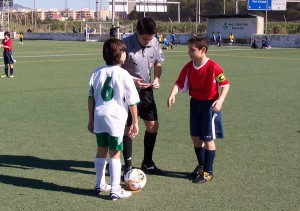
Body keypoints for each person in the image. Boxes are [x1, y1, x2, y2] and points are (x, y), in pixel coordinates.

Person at [167, 37, 230, 183]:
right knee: (195, 138)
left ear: (203, 50)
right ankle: (201, 166)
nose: (189, 52)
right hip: (195, 104)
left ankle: (208, 172)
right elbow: (179, 83)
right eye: (189, 49)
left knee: (208, 139)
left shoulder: (214, 67)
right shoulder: (189, 67)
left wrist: (220, 100)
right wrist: (172, 94)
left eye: (192, 50)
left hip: (210, 106)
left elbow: (225, 85)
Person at [88, 38, 140, 200]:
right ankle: (115, 189)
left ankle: (99, 184)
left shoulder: (96, 72)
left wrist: (91, 119)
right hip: (115, 118)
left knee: (101, 149)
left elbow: (91, 98)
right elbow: (132, 101)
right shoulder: (124, 74)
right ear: (119, 55)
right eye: (124, 51)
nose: (126, 54)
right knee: (115, 153)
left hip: (99, 116)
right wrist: (135, 122)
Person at [121, 17, 166, 176]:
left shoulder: (154, 42)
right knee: (128, 129)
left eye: (151, 38)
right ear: (137, 33)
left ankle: (148, 163)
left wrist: (156, 79)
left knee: (153, 126)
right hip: (127, 92)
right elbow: (116, 70)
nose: (148, 41)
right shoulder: (124, 44)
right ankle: (128, 166)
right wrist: (133, 82)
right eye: (145, 38)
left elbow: (158, 64)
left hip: (146, 91)